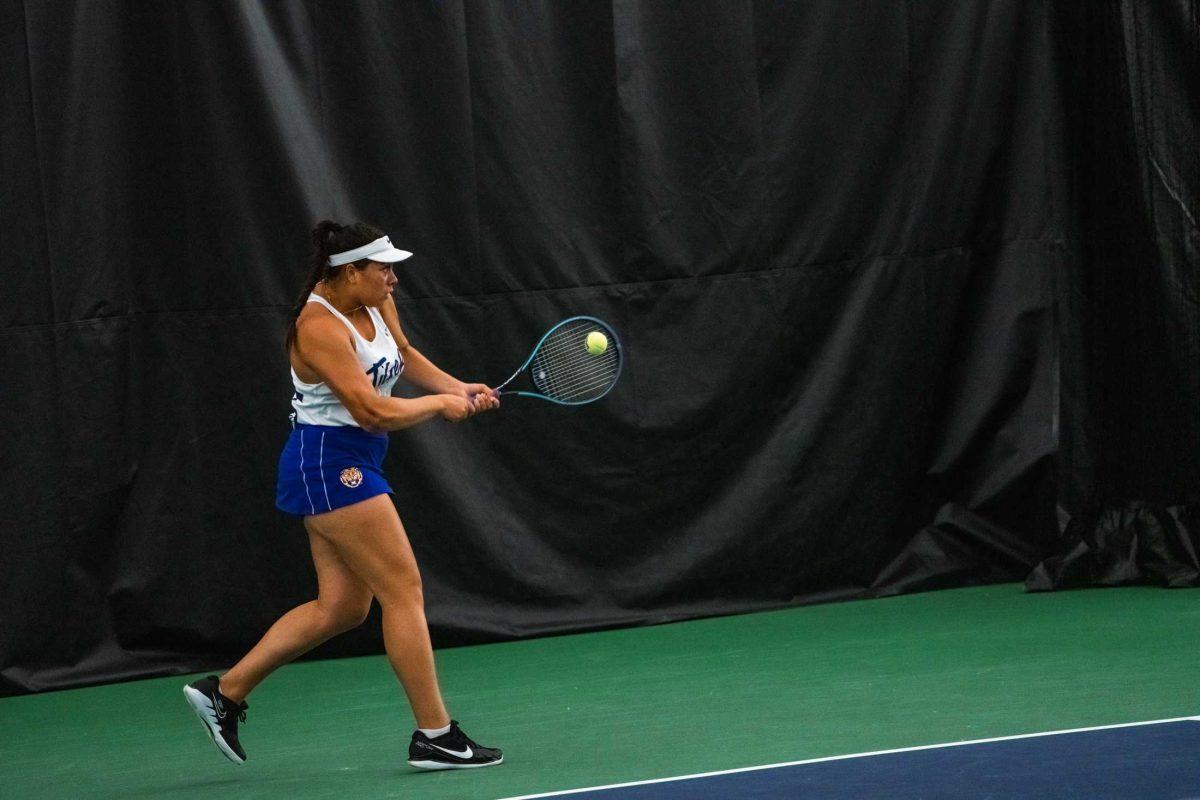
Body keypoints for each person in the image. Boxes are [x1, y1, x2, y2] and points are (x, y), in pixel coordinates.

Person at [183, 220, 503, 770]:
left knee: (342, 608)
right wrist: (436, 408)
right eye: (383, 269)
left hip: (353, 460)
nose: (393, 279)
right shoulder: (317, 325)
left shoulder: (375, 304)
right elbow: (371, 410)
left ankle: (225, 693)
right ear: (350, 271)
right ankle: (436, 735)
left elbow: (405, 355)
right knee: (403, 589)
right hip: (329, 464)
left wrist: (457, 387)